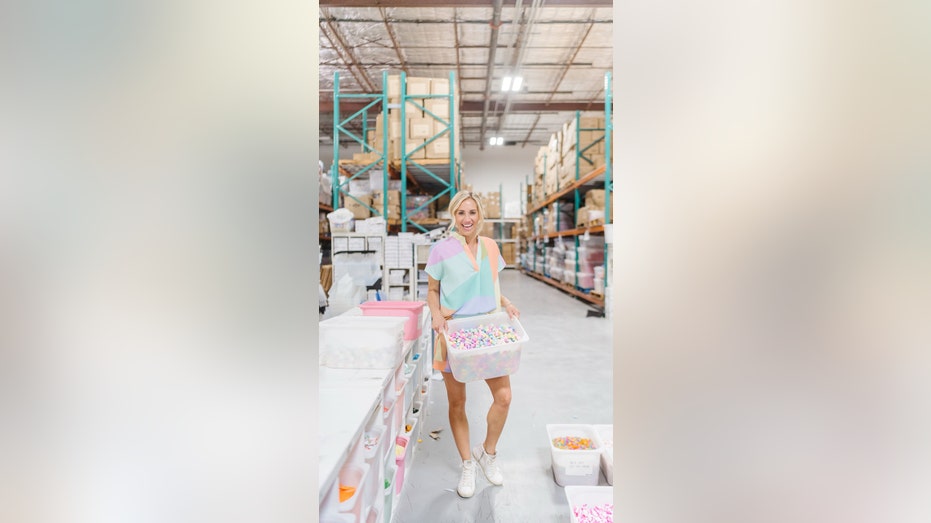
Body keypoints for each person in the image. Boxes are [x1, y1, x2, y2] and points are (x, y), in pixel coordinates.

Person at [425, 191, 521, 498]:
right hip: (455, 333)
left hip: (489, 330)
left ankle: (487, 453)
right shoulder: (441, 250)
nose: (467, 219)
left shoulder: (491, 247)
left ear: (480, 216)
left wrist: (506, 302)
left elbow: (491, 284)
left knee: (503, 397)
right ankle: (467, 463)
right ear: (453, 216)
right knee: (457, 403)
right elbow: (432, 290)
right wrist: (437, 315)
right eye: (461, 213)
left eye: (472, 213)